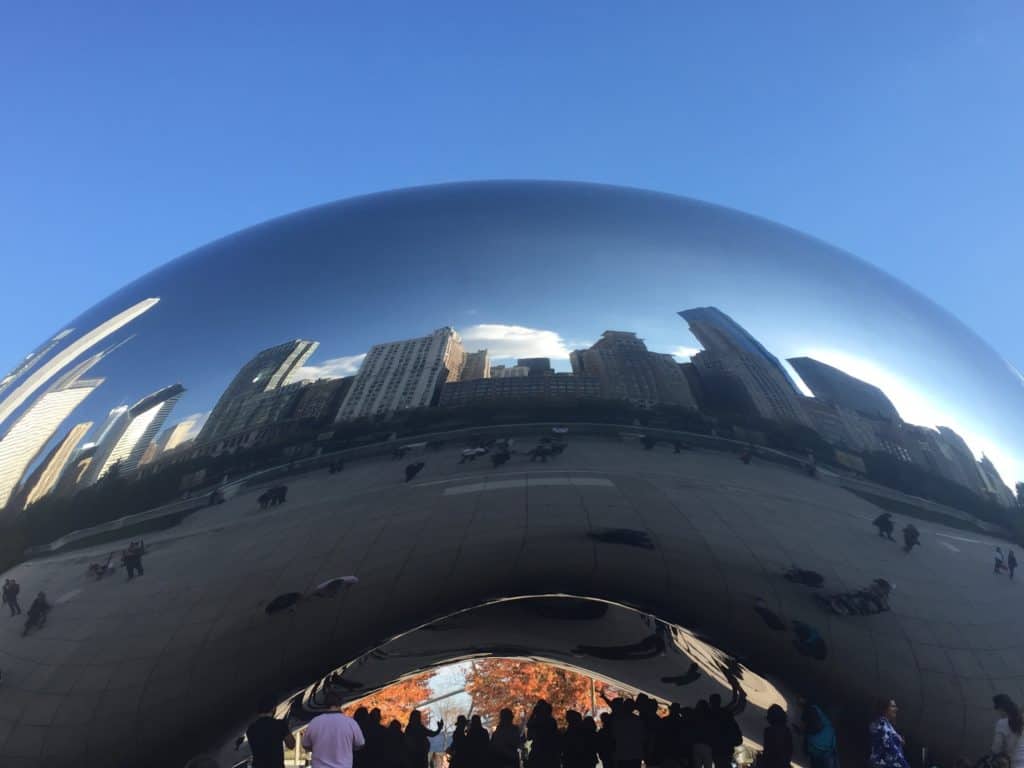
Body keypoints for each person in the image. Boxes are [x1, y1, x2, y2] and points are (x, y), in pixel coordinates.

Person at [301, 691, 365, 768]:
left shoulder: (315, 722)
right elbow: (360, 744)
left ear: (325, 704)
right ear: (341, 703)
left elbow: (305, 745)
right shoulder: (350, 723)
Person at [243, 696, 296, 768]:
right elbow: (291, 745)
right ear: (273, 708)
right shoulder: (279, 725)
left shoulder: (251, 728)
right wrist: (287, 729)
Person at [796, 701, 838, 768]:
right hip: (828, 754)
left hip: (821, 755)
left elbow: (808, 751)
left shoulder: (812, 739)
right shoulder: (828, 727)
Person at [869, 699, 910, 768]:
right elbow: (893, 749)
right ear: (885, 709)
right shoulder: (882, 725)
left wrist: (898, 741)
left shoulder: (884, 725)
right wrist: (906, 766)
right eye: (893, 706)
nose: (896, 709)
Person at [708, 694, 742, 768]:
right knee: (724, 763)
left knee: (721, 763)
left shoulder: (709, 715)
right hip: (726, 747)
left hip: (718, 748)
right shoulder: (725, 713)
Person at [526, 700, 560, 768]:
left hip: (541, 752)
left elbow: (529, 735)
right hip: (547, 753)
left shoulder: (545, 721)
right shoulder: (551, 721)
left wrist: (533, 714)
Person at [992, 694, 1024, 768]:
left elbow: (997, 747)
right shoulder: (1021, 721)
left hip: (1014, 764)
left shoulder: (1002, 723)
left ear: (1001, 709)